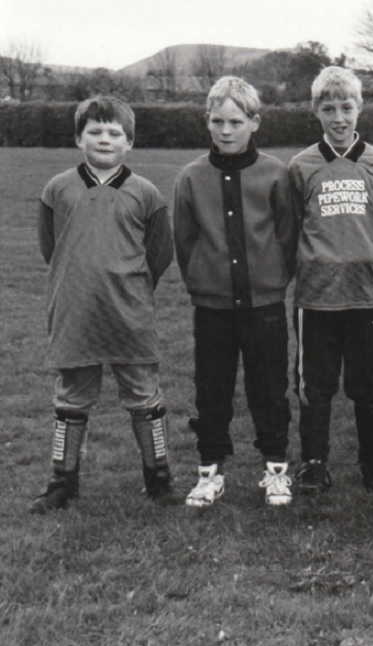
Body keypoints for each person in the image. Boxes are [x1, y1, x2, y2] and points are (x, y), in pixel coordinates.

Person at [31, 96, 177, 513]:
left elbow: (159, 253)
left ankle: (159, 478)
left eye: (115, 133)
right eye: (95, 131)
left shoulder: (145, 192)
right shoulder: (58, 188)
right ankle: (62, 482)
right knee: (72, 395)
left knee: (143, 393)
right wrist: (77, 278)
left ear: (129, 142)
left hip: (128, 310)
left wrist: (129, 283)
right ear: (79, 138)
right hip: (74, 309)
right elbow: (50, 247)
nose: (104, 138)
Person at [174, 76, 297, 508]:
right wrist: (205, 281)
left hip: (264, 305)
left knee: (269, 389)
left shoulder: (275, 174)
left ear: (254, 122)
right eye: (218, 121)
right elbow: (184, 240)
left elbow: (287, 236)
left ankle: (276, 470)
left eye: (236, 122)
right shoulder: (191, 178)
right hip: (213, 309)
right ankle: (210, 473)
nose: (226, 131)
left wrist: (272, 279)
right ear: (207, 122)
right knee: (212, 390)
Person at [288, 66, 373, 493]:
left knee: (369, 382)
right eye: (329, 109)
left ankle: (371, 461)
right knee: (315, 384)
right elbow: (296, 224)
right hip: (317, 296)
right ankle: (314, 462)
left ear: (360, 108)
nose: (338, 118)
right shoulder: (301, 166)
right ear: (316, 111)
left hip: (367, 293)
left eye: (346, 108)